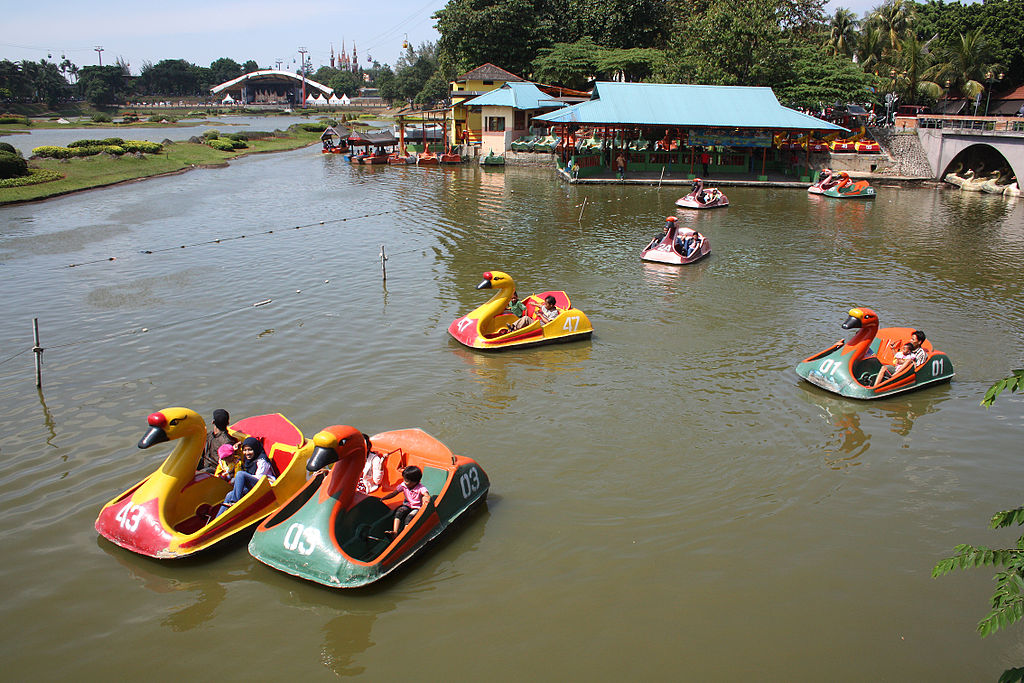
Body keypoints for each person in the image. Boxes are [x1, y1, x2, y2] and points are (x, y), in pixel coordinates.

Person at [216, 437, 277, 516]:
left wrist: (242, 482)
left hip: (264, 485)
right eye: (245, 450)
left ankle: (235, 502)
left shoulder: (262, 461)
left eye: (250, 450)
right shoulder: (248, 460)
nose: (247, 453)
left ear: (255, 449)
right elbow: (235, 455)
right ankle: (217, 519)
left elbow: (259, 479)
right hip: (253, 485)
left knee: (240, 474)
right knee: (229, 495)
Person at [381, 465, 430, 537]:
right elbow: (394, 493)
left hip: (416, 507)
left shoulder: (420, 487)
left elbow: (426, 494)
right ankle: (395, 532)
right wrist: (384, 498)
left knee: (409, 518)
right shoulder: (404, 485)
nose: (404, 482)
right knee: (399, 512)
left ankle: (404, 534)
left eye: (406, 481)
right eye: (404, 480)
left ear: (415, 481)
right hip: (407, 505)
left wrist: (426, 499)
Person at [199, 409, 236, 473]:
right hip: (205, 465)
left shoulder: (226, 442)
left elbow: (228, 465)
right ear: (228, 423)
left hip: (216, 470)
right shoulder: (209, 435)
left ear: (213, 422)